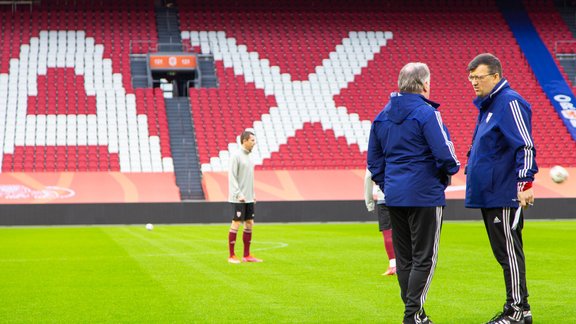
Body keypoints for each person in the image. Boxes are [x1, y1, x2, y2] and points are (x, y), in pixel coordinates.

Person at [368, 62, 460, 324]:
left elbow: (374, 161)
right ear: (424, 84)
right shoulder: (427, 114)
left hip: (394, 197)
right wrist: (445, 175)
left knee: (405, 258)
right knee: (425, 258)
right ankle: (412, 316)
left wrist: (389, 185)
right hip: (424, 195)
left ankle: (415, 315)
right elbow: (445, 153)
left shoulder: (381, 116)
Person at [465, 53, 537, 324]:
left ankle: (519, 310)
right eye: (471, 77)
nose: (473, 82)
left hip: (504, 192)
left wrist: (526, 182)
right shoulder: (489, 106)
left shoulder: (510, 102)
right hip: (489, 192)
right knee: (502, 252)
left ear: (495, 76)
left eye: (478, 77)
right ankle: (516, 308)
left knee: (508, 252)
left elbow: (525, 144)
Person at [227, 130, 262, 264]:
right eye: (252, 140)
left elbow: (249, 179)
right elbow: (232, 176)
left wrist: (252, 194)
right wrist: (238, 193)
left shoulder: (250, 157)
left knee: (249, 223)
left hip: (248, 197)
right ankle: (231, 255)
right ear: (244, 141)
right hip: (238, 197)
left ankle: (246, 255)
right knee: (236, 222)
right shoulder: (236, 156)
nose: (254, 143)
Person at [364, 169, 396, 276]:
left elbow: (368, 177)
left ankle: (393, 265)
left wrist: (369, 202)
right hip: (403, 197)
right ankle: (410, 263)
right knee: (406, 231)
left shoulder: (375, 154)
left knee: (388, 232)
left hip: (384, 198)